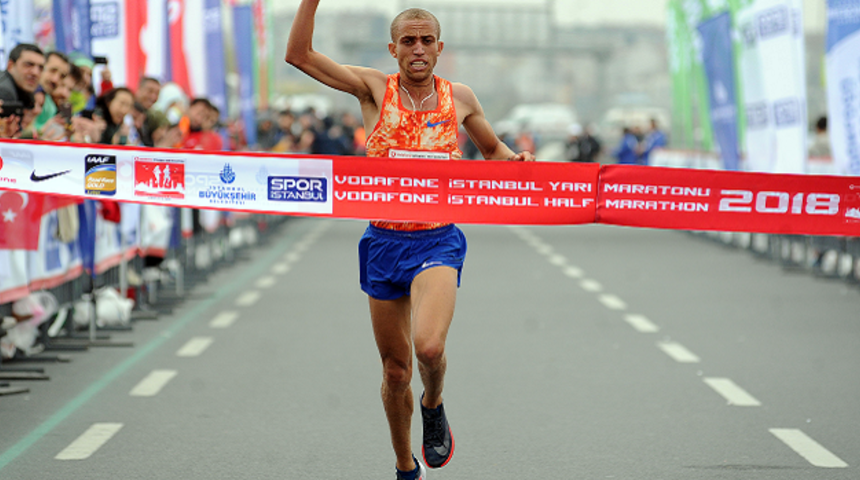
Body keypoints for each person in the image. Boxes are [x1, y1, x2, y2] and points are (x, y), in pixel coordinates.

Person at [286, 4, 535, 479]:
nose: (417, 49)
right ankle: (405, 465)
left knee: (429, 350)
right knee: (395, 371)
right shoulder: (374, 89)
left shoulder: (459, 97)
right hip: (383, 243)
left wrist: (516, 160)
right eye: (408, 41)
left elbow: (493, 153)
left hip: (437, 240)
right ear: (393, 48)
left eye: (426, 41)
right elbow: (298, 55)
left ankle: (434, 402)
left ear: (440, 48)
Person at [0, 44, 45, 133]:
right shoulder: (5, 92)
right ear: (10, 66)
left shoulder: (25, 92)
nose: (35, 72)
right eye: (28, 65)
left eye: (40, 68)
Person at [33, 51, 71, 132]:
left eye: (62, 76)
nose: (55, 80)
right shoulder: (31, 96)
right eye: (52, 70)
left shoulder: (51, 105)